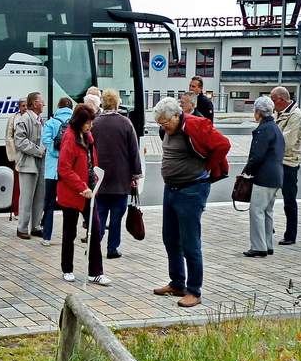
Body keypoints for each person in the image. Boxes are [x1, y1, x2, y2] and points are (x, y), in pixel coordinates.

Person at [152, 97, 231, 309]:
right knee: (170, 239)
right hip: (171, 189)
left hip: (191, 189)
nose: (163, 127)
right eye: (160, 124)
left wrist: (206, 168)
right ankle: (177, 283)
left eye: (165, 123)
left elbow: (223, 145)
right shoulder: (168, 129)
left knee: (190, 243)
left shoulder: (197, 125)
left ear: (177, 115)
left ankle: (194, 290)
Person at [56, 104, 110, 286]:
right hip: (73, 194)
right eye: (88, 123)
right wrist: (81, 186)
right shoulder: (70, 139)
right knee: (69, 232)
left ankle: (96, 272)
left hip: (89, 192)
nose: (91, 126)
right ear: (80, 122)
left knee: (95, 229)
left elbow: (91, 162)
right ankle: (67, 269)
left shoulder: (87, 137)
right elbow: (64, 168)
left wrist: (93, 183)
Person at [90, 90, 142, 259]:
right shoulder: (125, 123)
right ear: (116, 104)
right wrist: (135, 175)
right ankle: (112, 248)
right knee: (116, 216)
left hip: (100, 178)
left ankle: (94, 246)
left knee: (99, 215)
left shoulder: (95, 123)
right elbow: (134, 151)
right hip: (121, 178)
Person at [241, 96, 285, 258]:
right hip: (276, 176)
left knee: (257, 211)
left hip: (264, 177)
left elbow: (257, 155)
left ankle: (259, 246)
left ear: (258, 113)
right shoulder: (274, 127)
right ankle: (268, 244)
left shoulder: (263, 129)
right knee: (267, 211)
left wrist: (247, 171)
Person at [271, 86, 301, 246]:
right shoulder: (279, 112)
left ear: (282, 100)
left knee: (289, 200)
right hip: (275, 161)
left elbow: (287, 142)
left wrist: (269, 143)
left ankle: (291, 234)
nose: (272, 104)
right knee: (267, 197)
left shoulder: (295, 115)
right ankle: (267, 227)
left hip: (288, 162)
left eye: (273, 100)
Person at [11, 92, 46, 239]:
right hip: (28, 164)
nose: (44, 104)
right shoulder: (24, 119)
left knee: (39, 196)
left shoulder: (39, 120)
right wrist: (38, 151)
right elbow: (20, 141)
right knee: (26, 197)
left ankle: (36, 227)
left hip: (40, 163)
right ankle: (22, 228)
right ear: (35, 104)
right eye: (42, 102)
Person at [40, 97, 74, 247]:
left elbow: (46, 140)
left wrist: (56, 152)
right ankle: (68, 237)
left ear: (58, 106)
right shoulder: (74, 123)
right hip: (69, 169)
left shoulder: (51, 122)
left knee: (49, 203)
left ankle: (46, 237)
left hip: (52, 170)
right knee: (69, 204)